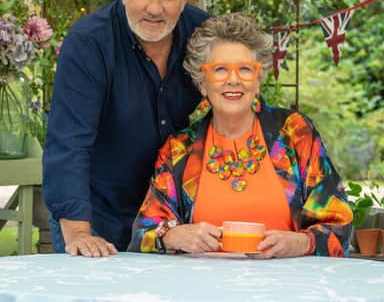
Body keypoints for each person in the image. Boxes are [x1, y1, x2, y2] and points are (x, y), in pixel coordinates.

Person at [128, 13, 353, 257]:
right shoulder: (180, 149)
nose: (233, 80)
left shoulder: (294, 133)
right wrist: (172, 236)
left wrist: (302, 243)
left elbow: (339, 223)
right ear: (202, 82)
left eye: (245, 69)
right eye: (220, 69)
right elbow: (143, 234)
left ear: (257, 80)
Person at [42, 0, 208, 257]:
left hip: (172, 219)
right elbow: (69, 142)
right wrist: (78, 232)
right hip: (95, 214)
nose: (155, 8)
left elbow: (234, 107)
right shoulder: (89, 43)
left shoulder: (203, 34)